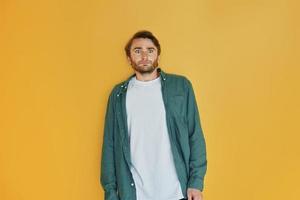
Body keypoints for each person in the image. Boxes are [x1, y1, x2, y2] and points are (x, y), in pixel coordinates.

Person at [100, 30, 207, 200]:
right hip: (134, 195)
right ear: (129, 58)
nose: (144, 55)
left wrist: (196, 182)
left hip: (176, 192)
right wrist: (111, 193)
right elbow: (110, 146)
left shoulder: (181, 87)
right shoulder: (118, 95)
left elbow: (195, 135)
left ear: (158, 55)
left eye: (150, 50)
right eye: (137, 50)